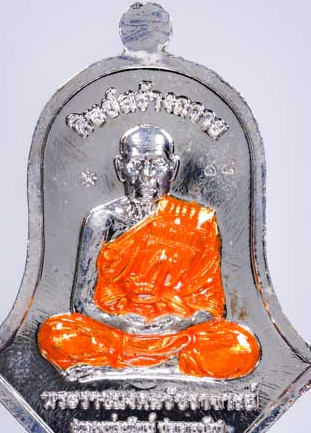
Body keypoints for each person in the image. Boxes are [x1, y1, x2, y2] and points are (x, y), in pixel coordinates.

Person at [37, 124, 260, 380]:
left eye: (156, 165)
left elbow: (212, 307)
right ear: (120, 168)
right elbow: (83, 303)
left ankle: (134, 368)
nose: (145, 175)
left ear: (172, 168)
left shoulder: (199, 221)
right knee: (55, 333)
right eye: (136, 164)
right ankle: (169, 367)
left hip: (176, 333)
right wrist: (123, 322)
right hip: (116, 332)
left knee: (241, 345)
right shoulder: (101, 221)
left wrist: (179, 322)